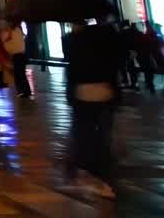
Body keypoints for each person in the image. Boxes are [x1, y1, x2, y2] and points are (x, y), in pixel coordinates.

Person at [61, 15, 121, 198]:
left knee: (83, 135)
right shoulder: (105, 39)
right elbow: (114, 66)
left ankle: (86, 175)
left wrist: (70, 94)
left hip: (84, 93)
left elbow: (73, 71)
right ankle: (102, 178)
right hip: (105, 91)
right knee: (102, 136)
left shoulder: (75, 42)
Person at [2, 16, 31, 98]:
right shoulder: (17, 30)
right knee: (20, 74)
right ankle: (24, 91)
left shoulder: (13, 31)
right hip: (21, 54)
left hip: (17, 55)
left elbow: (6, 42)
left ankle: (23, 91)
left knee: (19, 74)